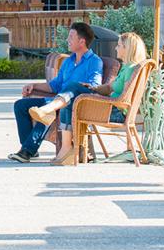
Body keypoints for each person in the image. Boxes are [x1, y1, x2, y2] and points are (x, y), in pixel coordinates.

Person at [29, 32, 148, 164]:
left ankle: (50, 113)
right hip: (112, 108)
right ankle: (65, 147)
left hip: (114, 112)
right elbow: (109, 88)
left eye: (119, 45)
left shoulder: (131, 69)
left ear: (128, 48)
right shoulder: (127, 67)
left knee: (73, 89)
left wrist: (100, 98)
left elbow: (124, 97)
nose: (116, 48)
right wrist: (93, 88)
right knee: (72, 96)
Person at [9, 22, 103, 164]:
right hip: (55, 101)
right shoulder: (68, 61)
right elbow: (55, 85)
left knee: (48, 112)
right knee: (20, 106)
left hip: (73, 104)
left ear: (82, 41)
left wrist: (76, 87)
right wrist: (34, 85)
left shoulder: (94, 61)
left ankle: (27, 151)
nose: (67, 40)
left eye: (71, 37)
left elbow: (95, 86)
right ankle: (29, 148)